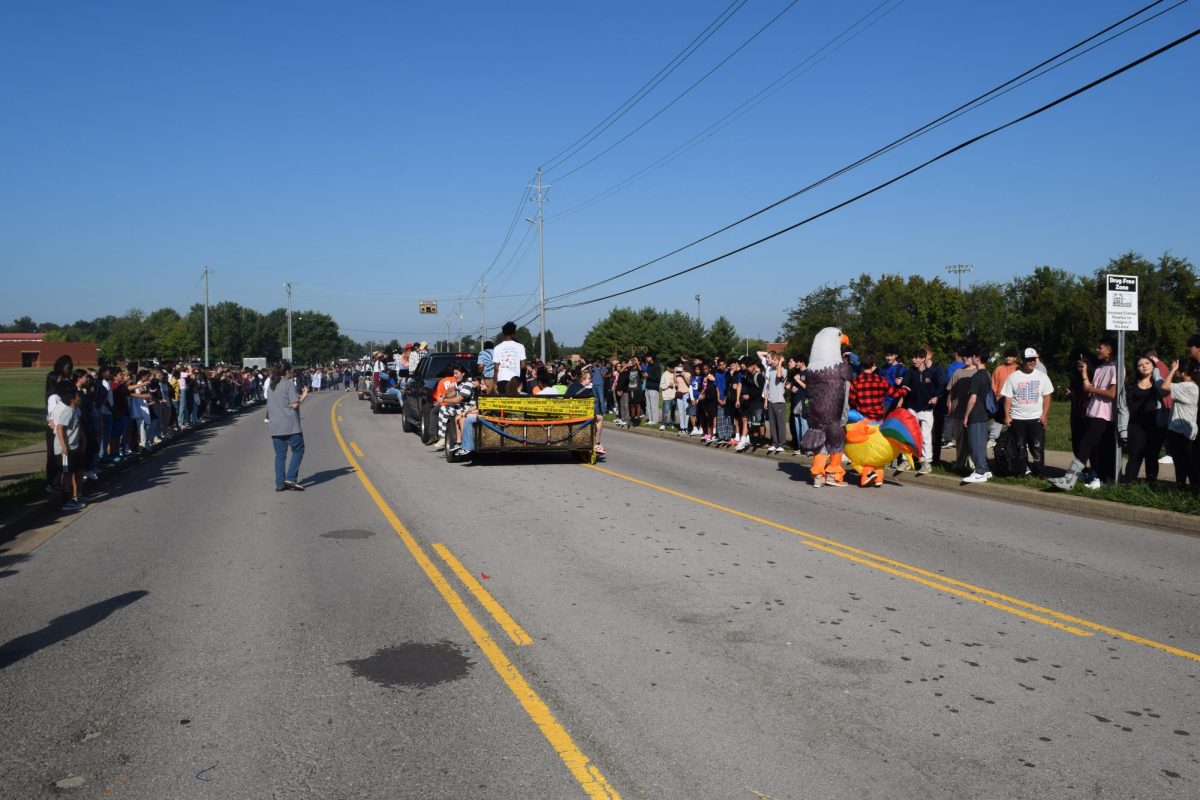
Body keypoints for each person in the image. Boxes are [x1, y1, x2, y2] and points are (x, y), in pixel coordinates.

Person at [1051, 338, 1118, 491]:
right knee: (1090, 446)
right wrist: (1084, 373)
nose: (1097, 350)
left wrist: (1093, 390)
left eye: (1100, 347)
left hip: (1105, 414)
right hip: (1092, 411)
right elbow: (1087, 387)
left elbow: (1111, 393)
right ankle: (1101, 479)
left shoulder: (1116, 367)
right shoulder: (1101, 368)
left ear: (1109, 350)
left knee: (1087, 445)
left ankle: (1070, 479)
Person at [1000, 348, 1054, 478]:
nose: (1031, 362)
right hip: (1017, 418)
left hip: (1036, 418)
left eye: (1033, 359)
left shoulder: (1042, 376)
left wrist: (1045, 415)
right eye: (1029, 360)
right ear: (1023, 361)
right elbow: (1008, 397)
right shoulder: (1013, 377)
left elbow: (1047, 396)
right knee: (1019, 447)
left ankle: (1039, 472)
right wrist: (1007, 416)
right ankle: (1021, 471)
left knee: (1037, 447)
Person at [1120, 355, 1164, 484]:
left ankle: (1151, 485)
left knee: (1152, 457)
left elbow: (1165, 395)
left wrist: (1156, 374)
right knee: (1134, 456)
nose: (1144, 366)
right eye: (1140, 365)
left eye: (1147, 363)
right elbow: (1123, 408)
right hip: (1135, 425)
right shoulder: (1130, 386)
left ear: (1153, 366)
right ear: (1136, 368)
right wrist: (1123, 430)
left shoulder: (1159, 384)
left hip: (1155, 425)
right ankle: (1128, 485)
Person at [902, 348, 945, 474]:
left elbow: (940, 388)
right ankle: (906, 460)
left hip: (926, 409)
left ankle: (927, 463)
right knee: (909, 434)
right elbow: (904, 386)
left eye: (917, 358)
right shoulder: (910, 372)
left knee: (925, 436)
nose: (914, 360)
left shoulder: (932, 372)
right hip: (912, 408)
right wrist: (902, 388)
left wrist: (937, 397)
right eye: (913, 357)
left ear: (923, 359)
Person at [266, 362, 308, 491]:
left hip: (275, 425)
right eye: (291, 371)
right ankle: (290, 477)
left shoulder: (271, 385)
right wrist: (304, 396)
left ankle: (279, 483)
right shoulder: (288, 384)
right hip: (290, 425)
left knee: (280, 456)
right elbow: (295, 404)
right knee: (298, 449)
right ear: (288, 371)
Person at [1160, 359, 1198, 490]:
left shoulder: (1186, 386)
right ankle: (1191, 489)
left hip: (1179, 430)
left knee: (1181, 463)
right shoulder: (1193, 387)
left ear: (1181, 372)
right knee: (1189, 462)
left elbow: (1165, 386)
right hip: (1188, 430)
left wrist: (1172, 371)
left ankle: (1182, 489)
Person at [960, 347, 994, 484]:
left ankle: (980, 472)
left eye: (973, 356)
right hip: (983, 414)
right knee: (980, 444)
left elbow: (972, 399)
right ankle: (985, 470)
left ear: (978, 358)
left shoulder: (976, 376)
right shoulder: (987, 374)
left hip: (976, 414)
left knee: (975, 445)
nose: (972, 358)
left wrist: (966, 416)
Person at [53, 385, 87, 511]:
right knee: (67, 475)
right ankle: (66, 502)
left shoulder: (74, 410)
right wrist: (64, 447)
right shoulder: (67, 411)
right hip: (65, 449)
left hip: (73, 448)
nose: (80, 398)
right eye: (78, 396)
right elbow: (60, 428)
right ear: (72, 399)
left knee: (71, 473)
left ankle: (72, 499)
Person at [759, 350, 788, 453]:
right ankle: (774, 443)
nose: (774, 361)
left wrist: (780, 363)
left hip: (779, 401)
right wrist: (766, 400)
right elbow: (768, 387)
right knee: (772, 424)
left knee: (780, 424)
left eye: (776, 360)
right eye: (774, 360)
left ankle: (782, 444)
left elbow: (779, 376)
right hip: (770, 400)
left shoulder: (783, 370)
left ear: (780, 361)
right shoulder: (770, 371)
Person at [493, 322, 526, 395]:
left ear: (503, 333)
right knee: (514, 402)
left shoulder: (497, 348)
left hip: (501, 379)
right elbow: (523, 366)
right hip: (515, 380)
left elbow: (496, 368)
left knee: (503, 403)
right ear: (513, 333)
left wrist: (495, 383)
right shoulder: (520, 346)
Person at [644, 353, 662, 427]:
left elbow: (658, 378)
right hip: (647, 387)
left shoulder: (657, 366)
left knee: (653, 405)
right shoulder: (648, 366)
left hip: (654, 388)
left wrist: (649, 376)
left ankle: (655, 420)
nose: (647, 358)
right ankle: (650, 419)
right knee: (648, 405)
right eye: (646, 357)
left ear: (652, 357)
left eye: (648, 357)